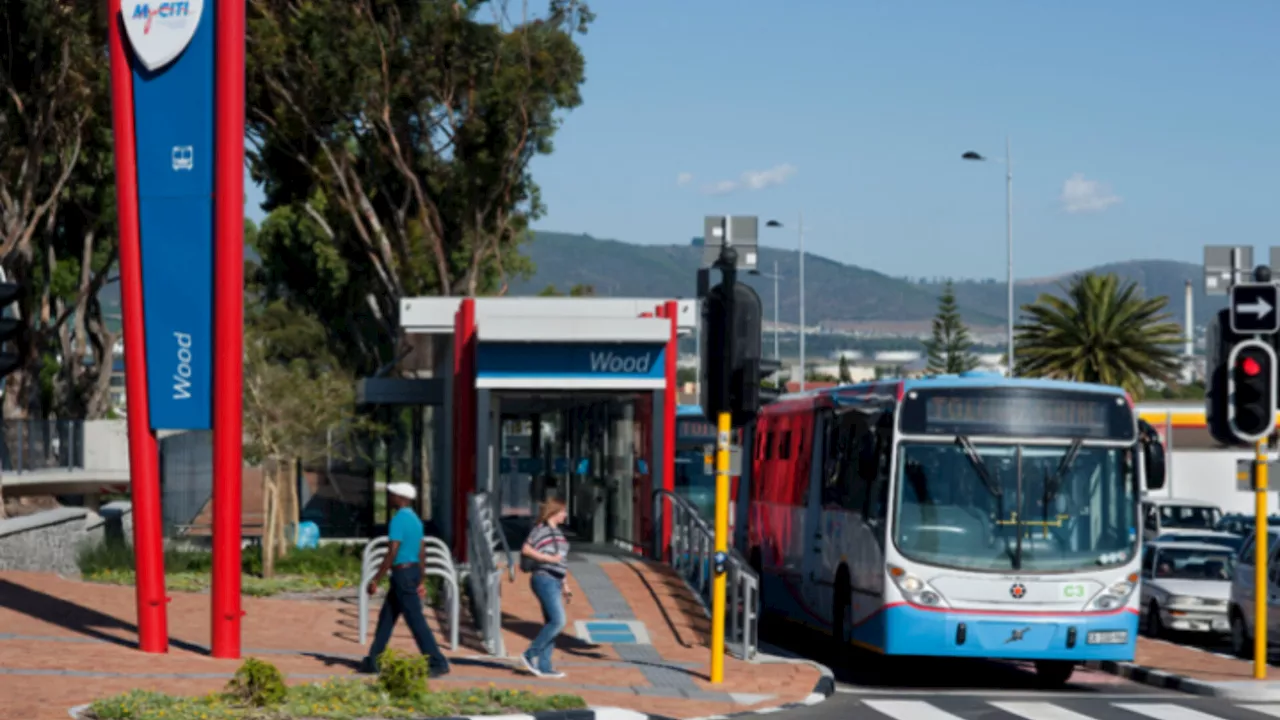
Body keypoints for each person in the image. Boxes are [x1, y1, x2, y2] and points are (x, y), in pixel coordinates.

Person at [361, 482, 450, 677]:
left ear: (401, 498)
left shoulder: (399, 520)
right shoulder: (415, 520)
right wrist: (421, 577)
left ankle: (437, 661)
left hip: (402, 573)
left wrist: (376, 578)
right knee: (387, 617)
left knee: (416, 620)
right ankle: (374, 659)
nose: (389, 498)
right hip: (411, 573)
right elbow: (421, 549)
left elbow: (392, 551)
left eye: (392, 495)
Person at [519, 498, 572, 679]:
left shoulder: (557, 532)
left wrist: (565, 584)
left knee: (552, 623)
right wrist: (547, 559)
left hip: (555, 580)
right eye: (563, 511)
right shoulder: (541, 530)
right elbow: (526, 549)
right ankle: (529, 654)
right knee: (558, 621)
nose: (565, 515)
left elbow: (562, 560)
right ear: (554, 512)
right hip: (544, 579)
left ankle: (544, 666)